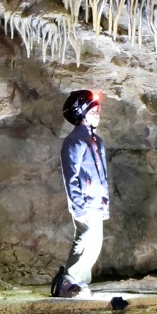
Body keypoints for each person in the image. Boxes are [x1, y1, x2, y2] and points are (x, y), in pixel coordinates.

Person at [52, 89, 108, 300]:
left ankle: (81, 283)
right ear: (81, 113)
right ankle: (69, 281)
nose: (97, 115)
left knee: (95, 243)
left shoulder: (96, 141)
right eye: (93, 111)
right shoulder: (74, 142)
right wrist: (77, 205)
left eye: (98, 111)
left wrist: (104, 203)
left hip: (96, 201)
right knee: (84, 238)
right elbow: (71, 176)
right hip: (84, 201)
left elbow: (101, 175)